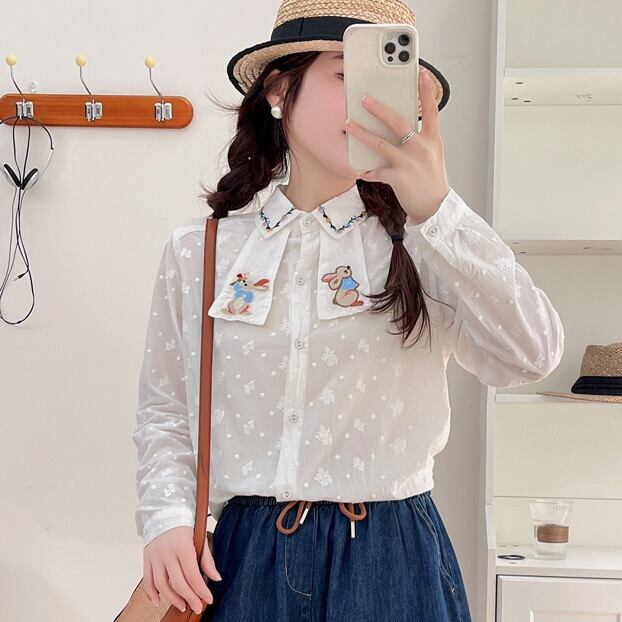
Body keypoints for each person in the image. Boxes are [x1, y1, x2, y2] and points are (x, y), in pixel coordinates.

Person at [131, 1, 565, 620]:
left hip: (393, 561)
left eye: (386, 82)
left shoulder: (427, 244)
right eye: (344, 73)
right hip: (243, 562)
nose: (369, 101)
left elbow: (532, 356)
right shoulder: (202, 250)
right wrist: (168, 517)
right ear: (279, 89)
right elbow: (166, 409)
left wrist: (439, 210)